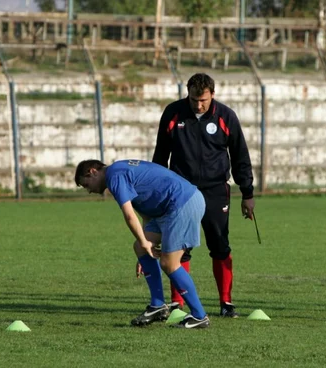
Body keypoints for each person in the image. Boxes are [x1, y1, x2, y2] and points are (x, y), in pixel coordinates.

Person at [152, 73, 255, 318]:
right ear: (188, 93)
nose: (198, 105)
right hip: (180, 193)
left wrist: (247, 193)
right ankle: (178, 304)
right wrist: (158, 191)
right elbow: (160, 155)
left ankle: (226, 303)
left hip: (215, 190)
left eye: (204, 100)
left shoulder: (226, 116)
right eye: (194, 99)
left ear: (213, 95)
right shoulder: (173, 113)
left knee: (220, 245)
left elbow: (241, 156)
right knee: (179, 248)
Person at [75, 159, 210, 329]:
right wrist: (145, 247)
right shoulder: (120, 171)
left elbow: (130, 216)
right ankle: (158, 306)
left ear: (93, 172)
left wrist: (146, 243)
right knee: (139, 247)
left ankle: (199, 316)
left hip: (182, 203)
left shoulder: (114, 176)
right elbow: (144, 213)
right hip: (168, 208)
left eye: (86, 184)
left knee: (169, 263)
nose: (88, 190)